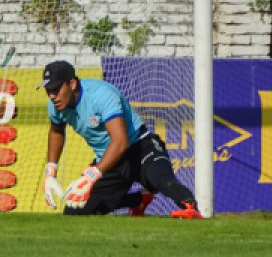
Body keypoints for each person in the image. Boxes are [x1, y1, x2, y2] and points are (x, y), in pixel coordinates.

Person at [38, 60, 201, 218]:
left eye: (56, 89)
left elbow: (120, 142)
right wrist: (50, 173)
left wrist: (90, 176)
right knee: (75, 212)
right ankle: (138, 200)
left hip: (139, 147)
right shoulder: (55, 106)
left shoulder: (101, 95)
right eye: (48, 90)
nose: (52, 96)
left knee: (161, 178)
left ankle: (190, 207)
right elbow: (56, 132)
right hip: (109, 160)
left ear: (72, 84)